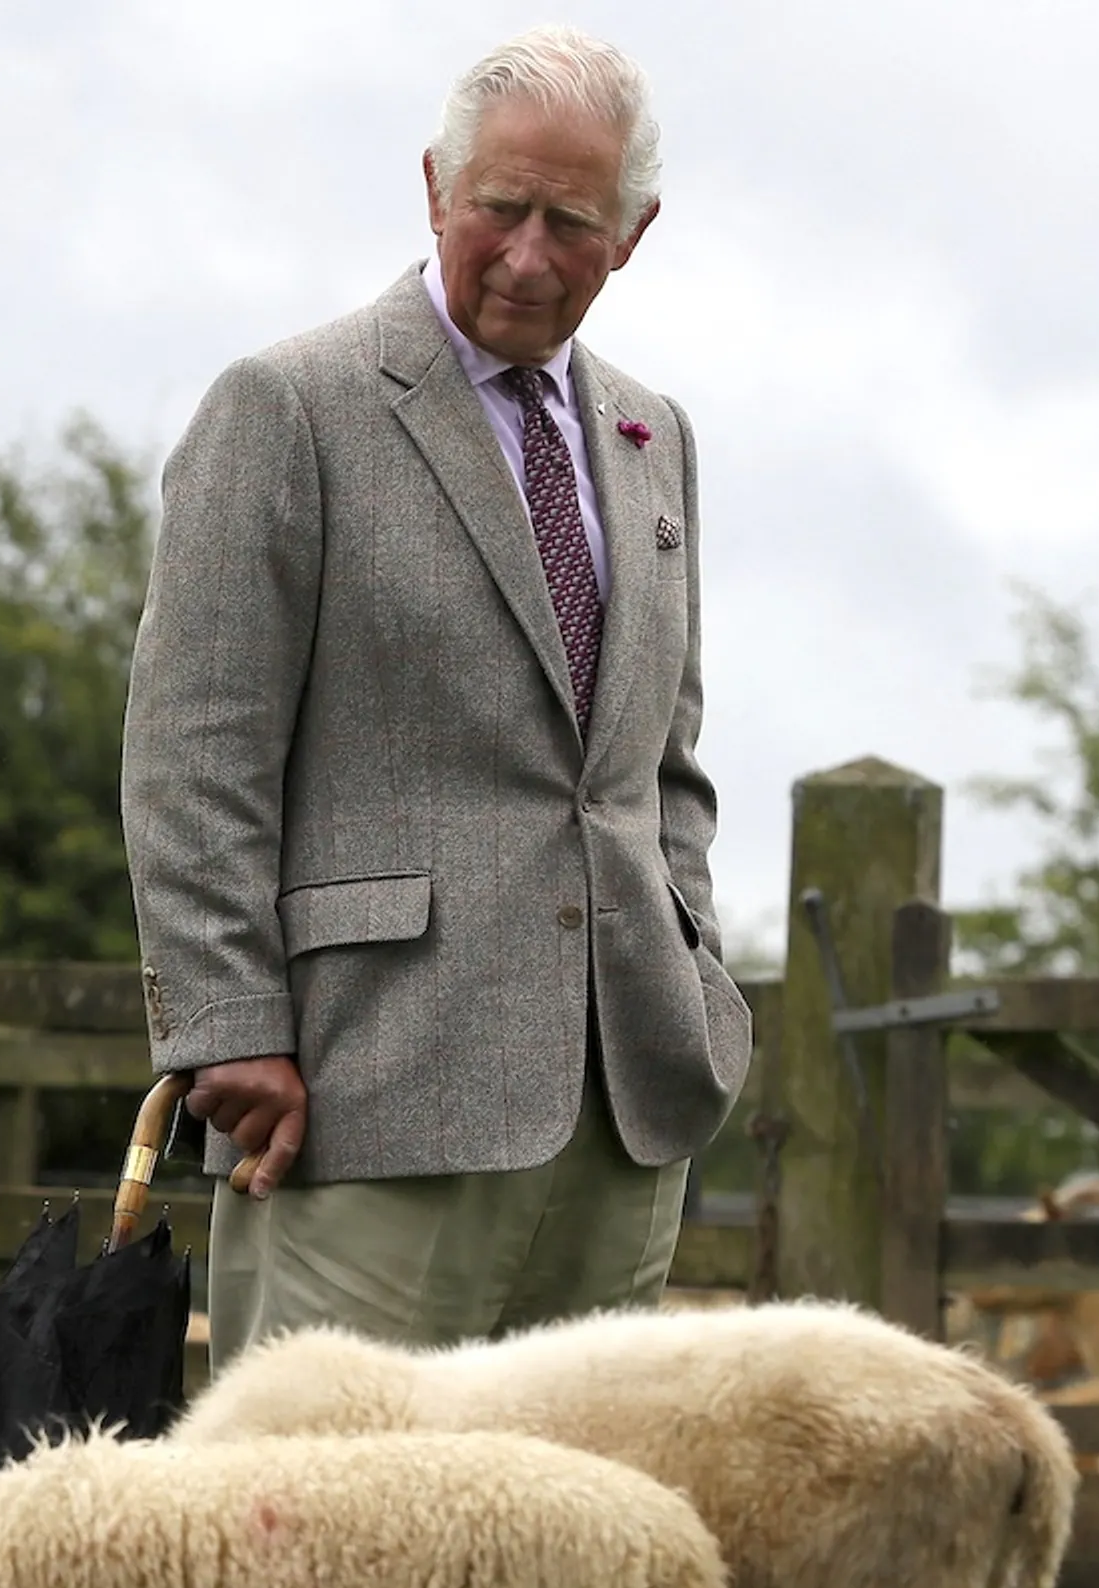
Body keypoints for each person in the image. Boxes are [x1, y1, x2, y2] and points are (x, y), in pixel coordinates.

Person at [119, 27, 751, 1361]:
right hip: (366, 1095)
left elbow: (660, 763)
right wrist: (229, 1026)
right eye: (500, 210)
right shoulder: (289, 406)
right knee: (322, 1539)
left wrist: (691, 965)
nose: (527, 255)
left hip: (622, 1109)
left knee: (571, 1546)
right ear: (434, 190)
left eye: (570, 223)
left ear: (632, 232)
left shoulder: (656, 437)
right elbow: (196, 750)